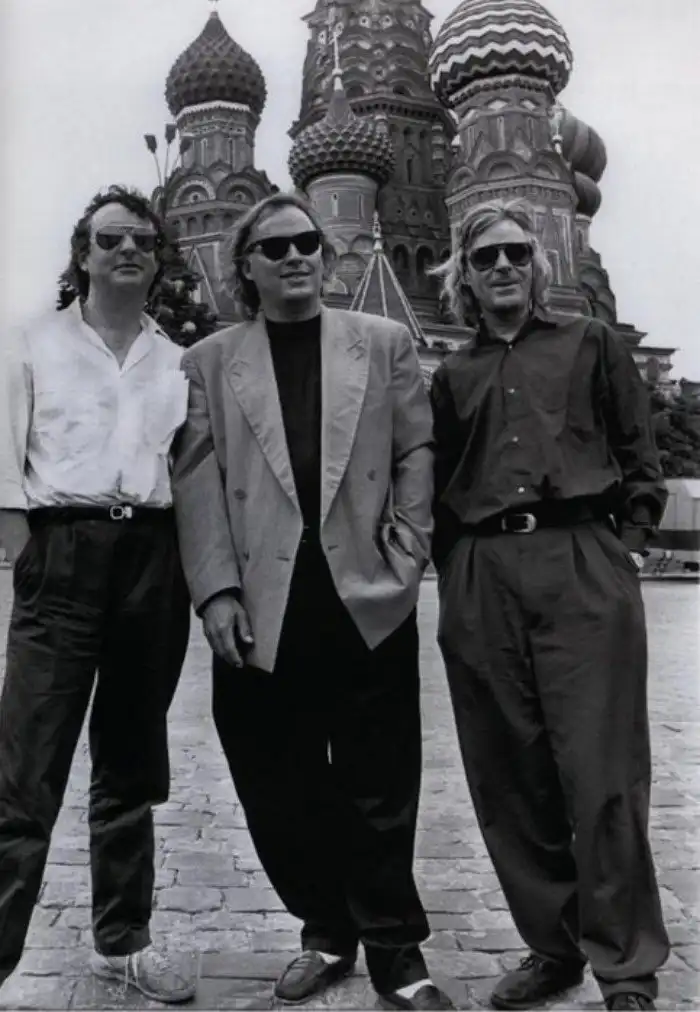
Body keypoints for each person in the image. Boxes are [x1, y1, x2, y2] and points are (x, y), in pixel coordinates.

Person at [171, 192, 452, 1011]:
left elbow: (415, 451)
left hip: (363, 592)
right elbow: (198, 481)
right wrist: (215, 590)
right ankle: (326, 929)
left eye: (307, 243)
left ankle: (397, 952)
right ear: (246, 267)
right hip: (262, 599)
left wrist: (406, 554)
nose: (295, 256)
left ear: (326, 257)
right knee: (275, 780)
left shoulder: (382, 341)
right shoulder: (211, 361)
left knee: (379, 779)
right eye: (276, 247)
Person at [429, 197, 669, 1012]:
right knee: (509, 774)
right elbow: (436, 481)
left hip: (580, 559)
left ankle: (625, 967)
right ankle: (553, 947)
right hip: (482, 572)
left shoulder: (591, 343)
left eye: (517, 254)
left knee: (603, 774)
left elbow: (639, 454)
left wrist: (624, 548)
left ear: (539, 266)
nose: (503, 267)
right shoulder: (452, 376)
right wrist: (456, 568)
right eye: (486, 257)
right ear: (464, 276)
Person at [0, 186, 195, 1004]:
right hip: (63, 549)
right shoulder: (31, 343)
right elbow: (5, 466)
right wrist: (31, 561)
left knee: (131, 761)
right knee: (26, 769)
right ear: (82, 253)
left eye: (143, 241)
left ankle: (123, 941)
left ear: (157, 261)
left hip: (152, 555)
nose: (128, 251)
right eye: (112, 239)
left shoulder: (178, 361)